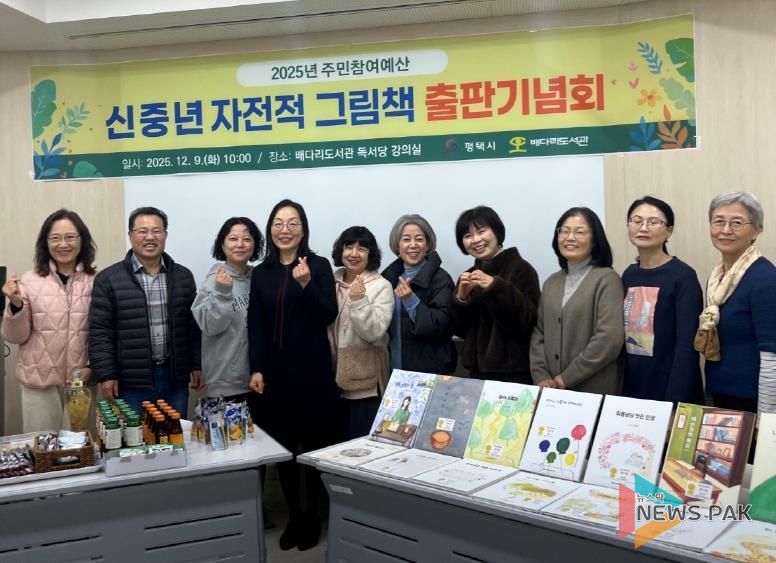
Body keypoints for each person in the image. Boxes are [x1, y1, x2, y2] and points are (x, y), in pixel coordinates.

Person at [247, 199, 337, 551]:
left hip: (312, 373)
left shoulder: (318, 265)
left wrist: (307, 285)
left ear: (303, 229)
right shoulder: (261, 272)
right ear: (270, 229)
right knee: (282, 450)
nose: (285, 230)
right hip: (274, 376)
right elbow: (256, 323)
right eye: (278, 223)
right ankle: (294, 517)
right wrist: (256, 367)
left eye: (293, 223)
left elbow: (327, 314)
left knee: (313, 448)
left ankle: (313, 516)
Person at [89, 206, 202, 416]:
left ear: (165, 235)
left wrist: (197, 365)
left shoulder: (183, 276)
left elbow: (193, 328)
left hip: (174, 379)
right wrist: (106, 374)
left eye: (157, 231)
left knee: (175, 434)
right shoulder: (108, 279)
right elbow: (100, 333)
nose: (150, 237)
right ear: (130, 235)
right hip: (130, 383)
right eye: (142, 231)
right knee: (135, 436)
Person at [2, 209, 96, 432]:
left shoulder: (97, 281)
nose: (63, 244)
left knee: (78, 447)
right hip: (39, 383)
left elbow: (104, 333)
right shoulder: (29, 280)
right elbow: (15, 337)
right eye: (55, 238)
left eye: (70, 237)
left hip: (80, 382)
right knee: (42, 447)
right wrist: (16, 305)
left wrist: (93, 368)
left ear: (82, 240)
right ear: (45, 242)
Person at [695, 192, 776, 414]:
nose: (725, 230)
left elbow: (772, 356)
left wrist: (766, 418)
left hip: (752, 400)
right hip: (720, 392)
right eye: (718, 221)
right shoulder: (717, 279)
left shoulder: (765, 278)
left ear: (757, 230)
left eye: (737, 223)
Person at [530, 207, 624, 394]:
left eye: (579, 232)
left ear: (595, 240)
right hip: (550, 390)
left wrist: (565, 378)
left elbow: (608, 339)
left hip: (593, 389)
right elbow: (539, 332)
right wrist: (541, 376)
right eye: (564, 231)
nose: (570, 237)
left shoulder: (607, 279)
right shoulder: (551, 282)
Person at [622, 196, 704, 403]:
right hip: (632, 387)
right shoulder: (628, 275)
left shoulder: (683, 276)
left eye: (653, 222)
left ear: (669, 231)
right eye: (636, 220)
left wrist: (674, 402)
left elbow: (686, 347)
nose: (643, 227)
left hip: (670, 388)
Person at [450, 206, 540, 384]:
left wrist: (495, 286)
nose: (476, 240)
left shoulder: (521, 269)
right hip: (476, 372)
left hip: (514, 373)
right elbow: (459, 330)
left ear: (497, 232)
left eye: (481, 231)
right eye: (468, 236)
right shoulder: (468, 276)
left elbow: (527, 323)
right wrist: (461, 299)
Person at [329, 226, 393, 440]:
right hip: (333, 381)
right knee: (335, 446)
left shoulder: (381, 286)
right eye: (349, 247)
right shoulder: (331, 282)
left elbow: (374, 332)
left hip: (366, 384)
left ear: (370, 254)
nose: (354, 254)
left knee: (362, 445)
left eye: (362, 249)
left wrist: (358, 300)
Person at [191, 217, 263, 405]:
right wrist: (223, 292)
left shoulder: (258, 278)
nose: (240, 244)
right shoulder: (215, 280)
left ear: (255, 245)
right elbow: (210, 326)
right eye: (233, 239)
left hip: (258, 379)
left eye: (247, 239)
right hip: (226, 383)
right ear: (222, 245)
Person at [381, 214, 457, 375]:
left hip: (430, 370)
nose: (413, 245)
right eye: (406, 239)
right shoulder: (388, 279)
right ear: (397, 245)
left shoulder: (441, 279)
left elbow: (442, 326)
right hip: (394, 369)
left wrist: (411, 300)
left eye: (419, 239)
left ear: (428, 244)